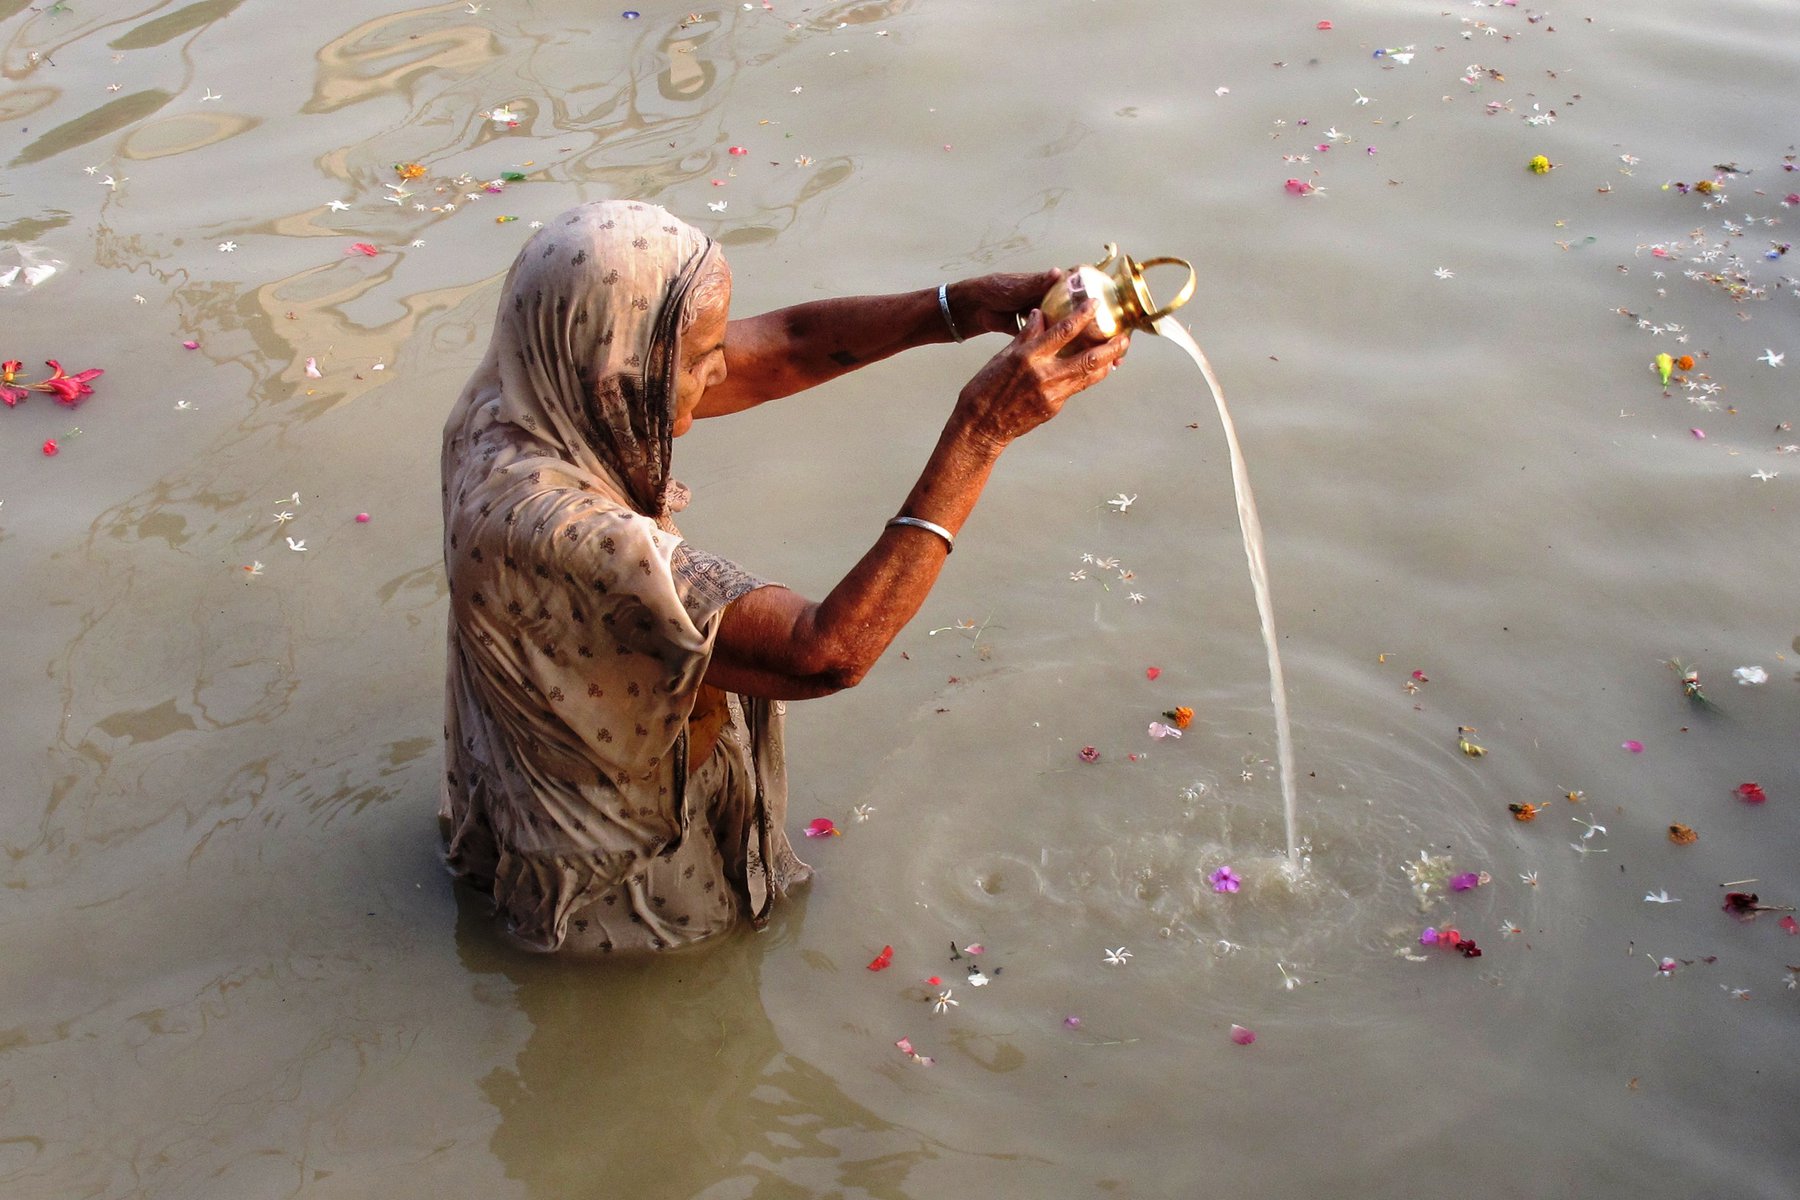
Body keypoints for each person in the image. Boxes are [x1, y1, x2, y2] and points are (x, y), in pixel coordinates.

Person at [440, 199, 1129, 953]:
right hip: (626, 887)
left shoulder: (519, 394)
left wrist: (956, 308)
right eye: (699, 358)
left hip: (542, 780)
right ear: (620, 370)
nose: (722, 368)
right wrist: (980, 432)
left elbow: (791, 344)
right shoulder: (565, 532)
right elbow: (826, 652)